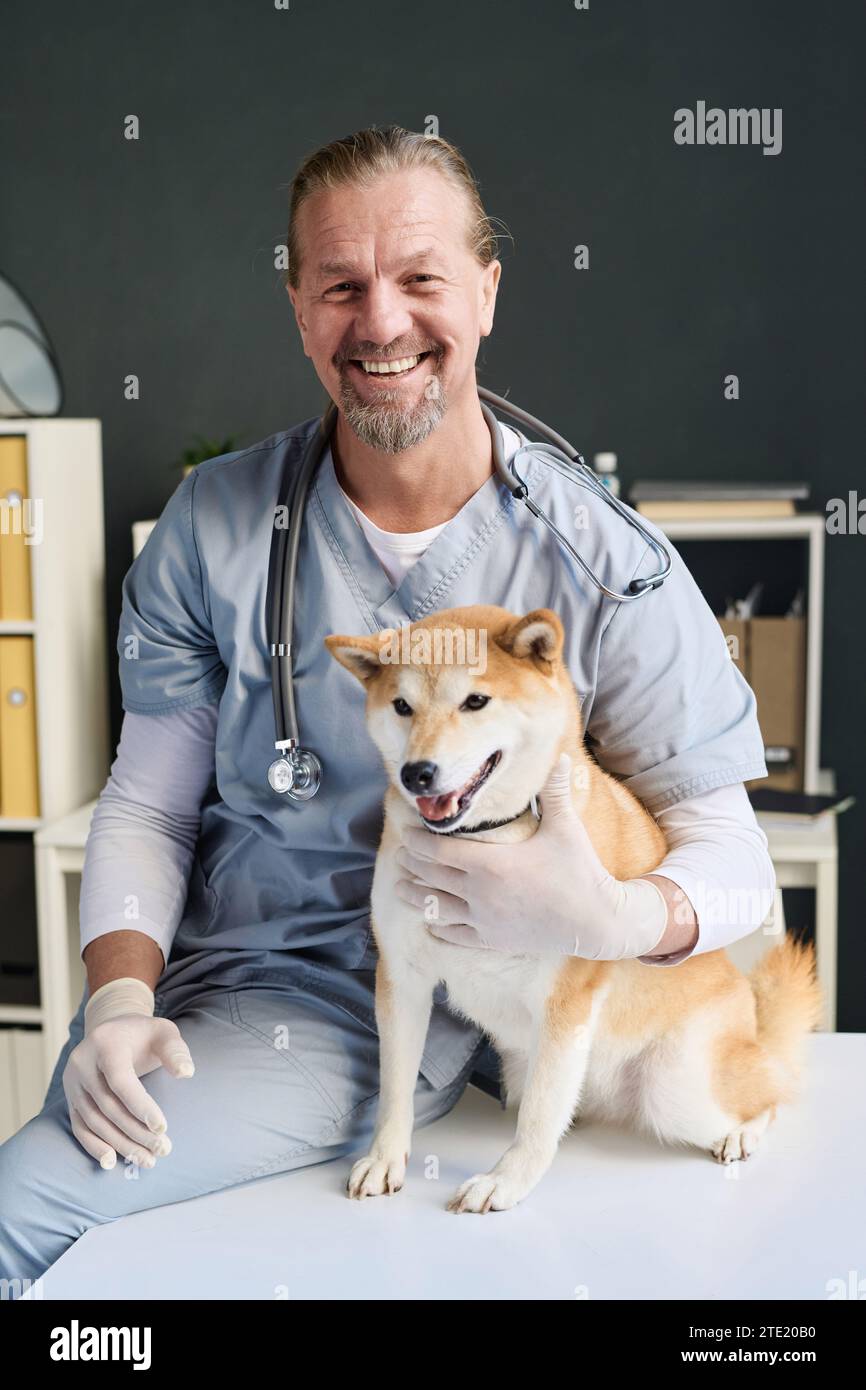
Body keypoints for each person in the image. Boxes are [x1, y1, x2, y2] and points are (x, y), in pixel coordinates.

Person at [0, 125, 775, 1293]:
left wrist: (617, 916)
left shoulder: (606, 564)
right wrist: (113, 993)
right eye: (340, 286)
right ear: (299, 307)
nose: (380, 323)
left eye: (419, 278)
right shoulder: (209, 527)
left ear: (487, 291)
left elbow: (738, 861)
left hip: (353, 1014)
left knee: (24, 1206)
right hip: (183, 983)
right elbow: (148, 810)